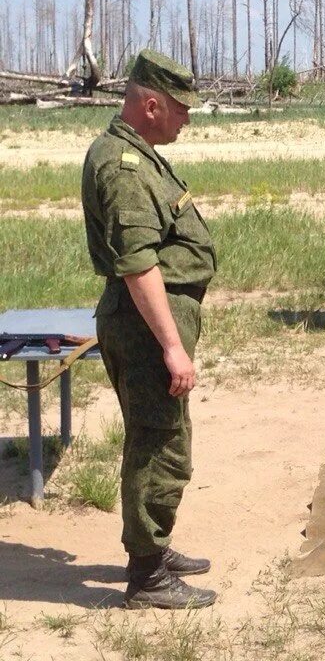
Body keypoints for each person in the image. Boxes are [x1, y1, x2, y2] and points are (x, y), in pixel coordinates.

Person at [81, 49, 217, 609]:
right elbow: (138, 266)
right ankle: (147, 575)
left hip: (150, 324)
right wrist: (171, 348)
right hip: (143, 329)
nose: (186, 119)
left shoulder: (140, 153)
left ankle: (153, 550)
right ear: (152, 104)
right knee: (157, 443)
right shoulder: (122, 166)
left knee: (164, 437)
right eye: (181, 109)